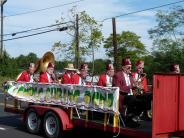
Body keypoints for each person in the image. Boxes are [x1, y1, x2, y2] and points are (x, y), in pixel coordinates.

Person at [112, 57, 142, 127]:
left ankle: (132, 118)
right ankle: (129, 119)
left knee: (144, 99)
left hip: (131, 96)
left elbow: (133, 87)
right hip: (122, 97)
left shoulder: (130, 76)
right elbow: (117, 88)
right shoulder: (117, 75)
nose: (130, 69)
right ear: (123, 67)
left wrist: (138, 87)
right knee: (133, 99)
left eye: (131, 67)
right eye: (128, 68)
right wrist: (131, 86)